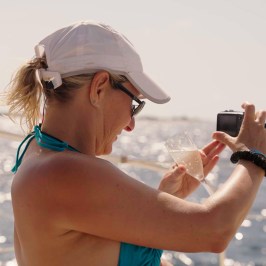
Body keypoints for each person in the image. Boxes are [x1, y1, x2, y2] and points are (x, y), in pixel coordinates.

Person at [5, 20, 266, 266]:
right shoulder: (64, 173)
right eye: (134, 103)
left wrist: (167, 198)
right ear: (99, 87)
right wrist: (252, 155)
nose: (131, 124)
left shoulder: (36, 151)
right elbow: (214, 229)